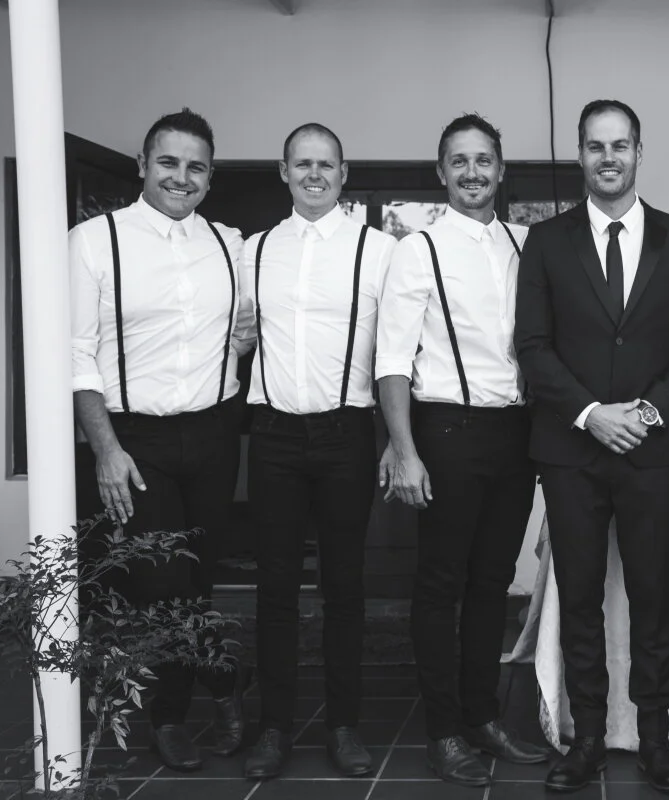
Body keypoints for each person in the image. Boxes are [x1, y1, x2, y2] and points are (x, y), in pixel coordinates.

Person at [514, 99, 669, 795]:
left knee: (653, 597)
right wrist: (593, 414)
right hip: (570, 452)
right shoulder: (547, 241)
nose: (608, 158)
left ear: (637, 151)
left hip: (651, 452)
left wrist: (648, 413)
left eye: (620, 145)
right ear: (580, 154)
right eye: (595, 147)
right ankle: (588, 737)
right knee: (580, 598)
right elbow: (532, 348)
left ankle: (656, 739)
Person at [376, 113, 554, 788]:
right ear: (442, 172)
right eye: (460, 161)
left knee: (492, 583)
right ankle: (444, 729)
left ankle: (483, 715)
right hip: (446, 430)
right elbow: (392, 359)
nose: (473, 172)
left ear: (501, 171)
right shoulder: (416, 249)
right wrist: (405, 449)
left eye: (484, 161)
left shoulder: (525, 242)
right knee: (441, 583)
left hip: (516, 434)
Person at [69, 108, 248, 772]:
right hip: (133, 440)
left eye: (195, 165)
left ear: (210, 176)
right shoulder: (93, 240)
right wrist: (105, 448)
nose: (181, 176)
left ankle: (180, 705)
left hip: (213, 432)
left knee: (199, 580)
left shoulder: (230, 245)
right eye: (168, 162)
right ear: (142, 165)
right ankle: (212, 692)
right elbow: (76, 352)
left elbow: (255, 324)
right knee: (160, 581)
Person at [239, 123, 395, 780]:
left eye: (324, 165)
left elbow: (397, 350)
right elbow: (238, 340)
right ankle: (273, 727)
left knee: (344, 587)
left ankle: (343, 724)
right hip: (272, 433)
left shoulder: (380, 249)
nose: (313, 174)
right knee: (273, 588)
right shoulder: (252, 250)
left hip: (347, 434)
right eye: (301, 164)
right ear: (283, 171)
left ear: (343, 172)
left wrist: (398, 441)